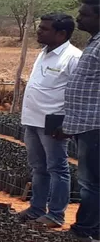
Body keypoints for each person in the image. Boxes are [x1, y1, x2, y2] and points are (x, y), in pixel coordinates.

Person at [16, 13, 81, 228]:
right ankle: (36, 208)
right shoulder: (44, 53)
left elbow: (78, 93)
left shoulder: (72, 58)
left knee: (57, 169)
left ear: (61, 33)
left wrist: (68, 123)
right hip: (32, 119)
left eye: (44, 28)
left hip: (53, 123)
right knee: (38, 167)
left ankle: (55, 215)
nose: (39, 31)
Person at [64, 0, 100, 242]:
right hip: (85, 123)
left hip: (95, 125)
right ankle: (94, 230)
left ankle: (84, 230)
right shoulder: (94, 42)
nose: (78, 18)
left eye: (84, 14)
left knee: (91, 182)